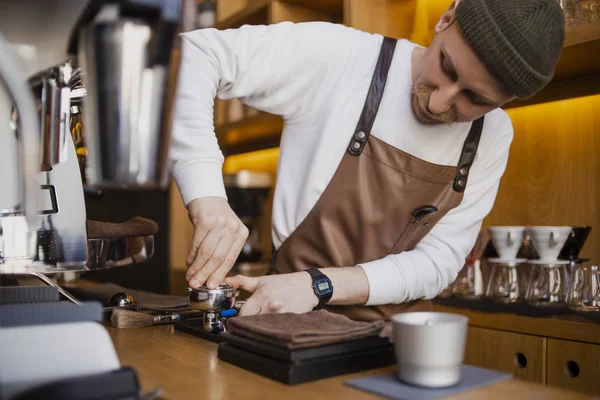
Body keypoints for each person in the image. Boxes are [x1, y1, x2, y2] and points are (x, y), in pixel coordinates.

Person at [168, 0, 565, 320]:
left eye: (475, 100)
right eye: (446, 66)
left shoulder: (492, 134)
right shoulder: (345, 59)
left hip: (396, 351)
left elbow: (438, 263)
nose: (440, 101)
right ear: (445, 19)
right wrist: (207, 196)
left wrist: (318, 285)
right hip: (287, 328)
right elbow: (196, 54)